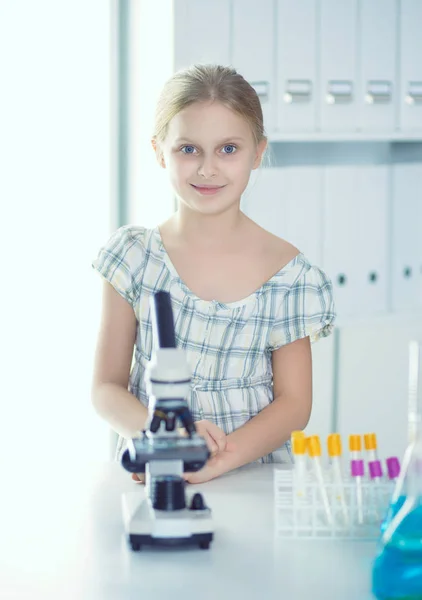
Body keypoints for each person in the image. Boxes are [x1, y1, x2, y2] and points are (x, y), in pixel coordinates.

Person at [91, 64, 336, 484]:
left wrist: (217, 458)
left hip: (253, 479)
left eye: (228, 149)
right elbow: (106, 388)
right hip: (154, 474)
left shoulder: (291, 276)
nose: (207, 168)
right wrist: (168, 439)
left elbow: (294, 403)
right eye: (188, 149)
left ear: (258, 152)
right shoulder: (133, 257)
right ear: (158, 151)